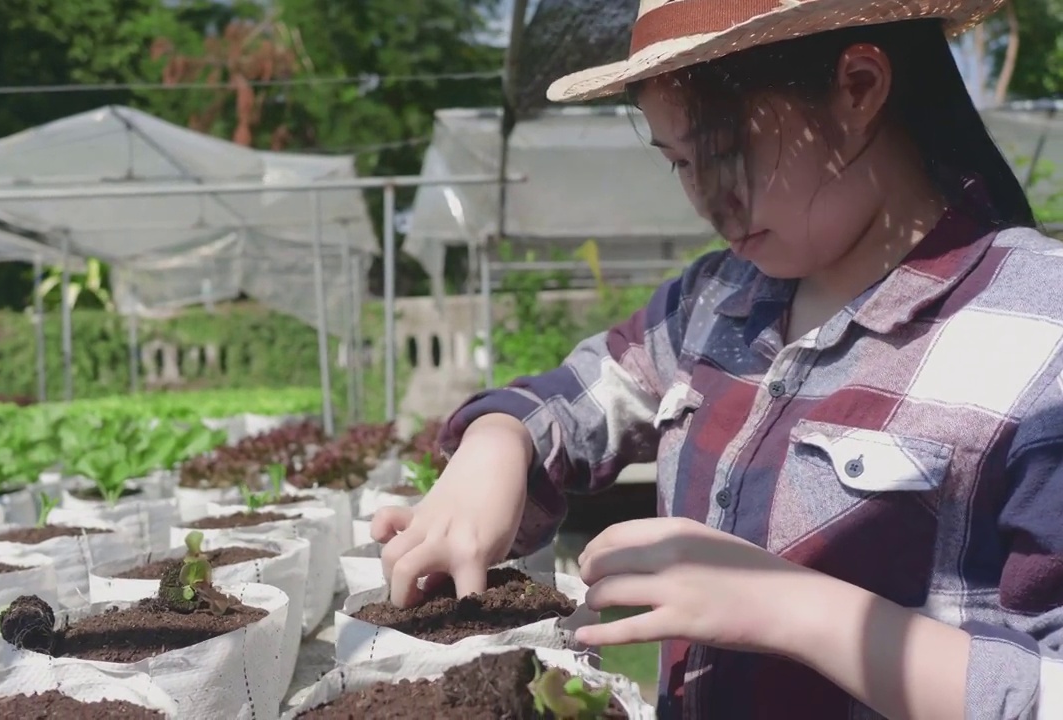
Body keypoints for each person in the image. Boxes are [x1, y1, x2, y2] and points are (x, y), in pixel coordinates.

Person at [370, 1, 1063, 718]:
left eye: (724, 150)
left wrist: (793, 608)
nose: (707, 199)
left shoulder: (1041, 330)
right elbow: (574, 400)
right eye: (679, 163)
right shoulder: (715, 302)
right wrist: (494, 444)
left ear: (859, 86)